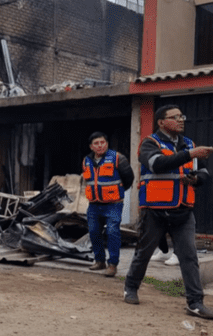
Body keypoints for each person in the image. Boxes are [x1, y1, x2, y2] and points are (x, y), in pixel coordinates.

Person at [124, 105, 213, 319]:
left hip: (182, 210)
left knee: (189, 256)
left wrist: (196, 179)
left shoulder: (188, 143)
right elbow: (157, 165)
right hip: (155, 210)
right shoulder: (149, 143)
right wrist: (189, 154)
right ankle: (131, 287)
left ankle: (195, 302)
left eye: (182, 116)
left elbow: (203, 172)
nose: (181, 120)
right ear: (161, 122)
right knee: (144, 253)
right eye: (175, 117)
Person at [82, 132, 134, 277]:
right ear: (91, 147)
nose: (100, 145)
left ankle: (112, 265)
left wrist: (116, 193)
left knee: (112, 232)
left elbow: (129, 178)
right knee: (93, 232)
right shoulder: (86, 160)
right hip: (93, 205)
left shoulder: (118, 158)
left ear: (107, 143)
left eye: (102, 142)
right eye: (96, 143)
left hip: (113, 204)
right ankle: (99, 261)